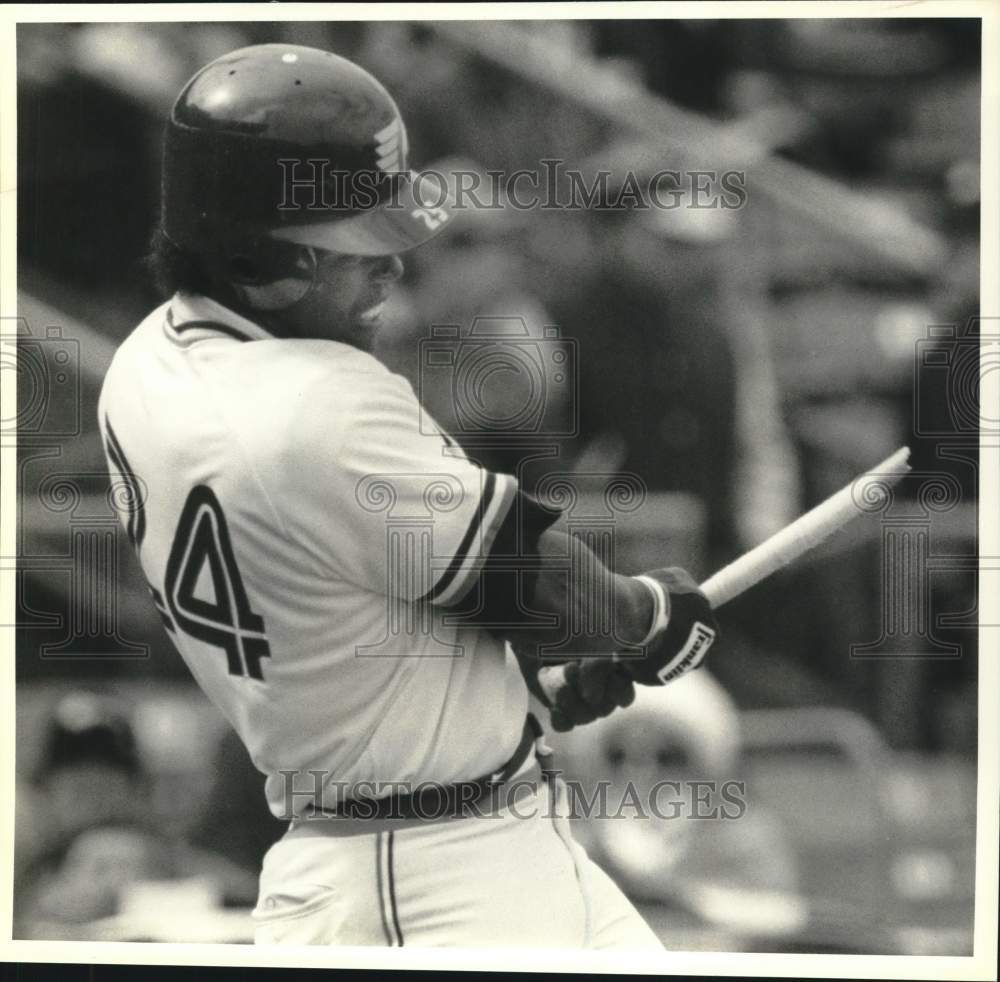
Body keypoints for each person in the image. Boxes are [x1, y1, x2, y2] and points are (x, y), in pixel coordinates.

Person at [98, 43, 719, 949]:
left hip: (407, 833)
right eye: (355, 249)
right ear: (260, 263)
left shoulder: (143, 364)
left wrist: (527, 684)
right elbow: (548, 588)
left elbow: (359, 588)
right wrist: (653, 616)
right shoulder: (322, 401)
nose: (392, 270)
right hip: (433, 874)